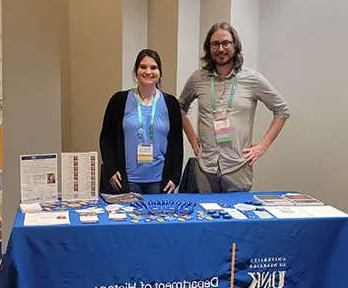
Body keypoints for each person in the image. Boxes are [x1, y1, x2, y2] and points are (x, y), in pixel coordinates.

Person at [178, 22, 290, 193]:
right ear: (209, 48)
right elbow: (179, 108)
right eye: (215, 44)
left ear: (235, 45)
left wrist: (262, 146)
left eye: (226, 43)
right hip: (205, 167)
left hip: (238, 166)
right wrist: (192, 138)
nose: (221, 49)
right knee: (207, 217)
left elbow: (282, 110)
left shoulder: (253, 79)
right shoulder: (198, 78)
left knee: (236, 217)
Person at [99, 49, 183, 194]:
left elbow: (177, 143)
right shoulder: (119, 101)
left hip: (159, 181)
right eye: (143, 67)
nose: (148, 71)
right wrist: (111, 169)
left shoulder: (171, 103)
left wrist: (175, 177)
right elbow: (106, 138)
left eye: (153, 67)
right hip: (126, 181)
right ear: (136, 71)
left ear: (160, 73)